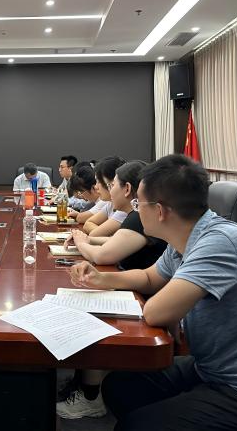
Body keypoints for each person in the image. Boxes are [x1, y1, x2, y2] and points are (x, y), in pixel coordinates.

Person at [70, 155, 237, 431]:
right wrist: (102, 278)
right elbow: (150, 277)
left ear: (159, 211)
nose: (136, 211)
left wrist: (169, 309)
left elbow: (156, 312)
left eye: (138, 204)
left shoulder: (219, 243)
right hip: (214, 366)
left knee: (136, 426)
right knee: (119, 387)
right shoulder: (187, 236)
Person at [56, 161, 167, 421]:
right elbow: (118, 245)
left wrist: (85, 243)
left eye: (110, 184)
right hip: (144, 287)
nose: (101, 188)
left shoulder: (141, 217)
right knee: (91, 291)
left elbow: (106, 253)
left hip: (149, 300)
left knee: (92, 306)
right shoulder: (141, 216)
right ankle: (83, 382)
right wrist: (89, 243)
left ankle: (90, 396)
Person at [64, 160, 166, 269]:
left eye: (112, 185)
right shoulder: (136, 214)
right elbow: (117, 241)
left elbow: (101, 256)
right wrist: (88, 239)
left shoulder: (138, 217)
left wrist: (81, 243)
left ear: (127, 189)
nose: (110, 191)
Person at [82, 156, 128, 236]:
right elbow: (88, 224)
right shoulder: (110, 203)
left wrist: (102, 234)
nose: (96, 187)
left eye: (98, 181)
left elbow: (94, 234)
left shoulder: (125, 208)